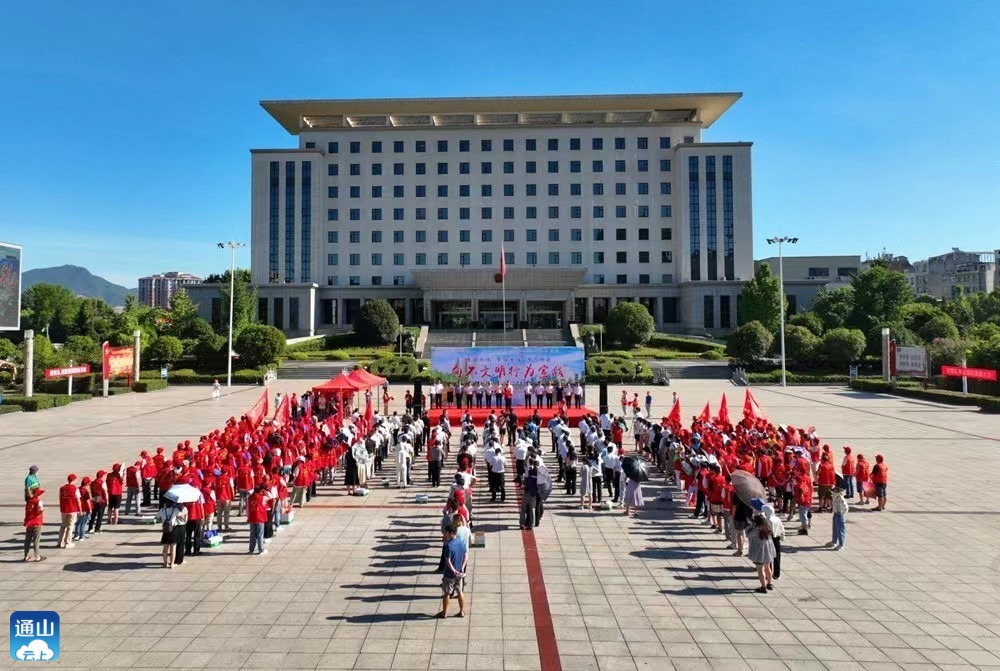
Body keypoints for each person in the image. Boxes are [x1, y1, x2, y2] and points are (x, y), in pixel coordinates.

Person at [436, 525, 468, 618]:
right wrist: (462, 567)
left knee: (447, 593)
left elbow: (447, 561)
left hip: (449, 575)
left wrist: (453, 570)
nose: (444, 534)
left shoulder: (448, 546)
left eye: (445, 532)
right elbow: (466, 556)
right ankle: (461, 611)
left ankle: (444, 613)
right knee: (460, 592)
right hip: (460, 573)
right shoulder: (461, 542)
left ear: (451, 533)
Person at [747, 513, 776, 593]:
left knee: (760, 570)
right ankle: (769, 584)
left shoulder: (756, 530)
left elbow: (748, 534)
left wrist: (751, 526)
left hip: (759, 553)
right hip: (768, 552)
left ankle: (763, 587)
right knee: (768, 568)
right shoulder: (768, 529)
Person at [158, 501, 185, 568]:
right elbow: (182, 518)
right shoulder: (175, 510)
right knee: (173, 548)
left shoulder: (162, 510)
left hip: (165, 530)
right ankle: (172, 564)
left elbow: (157, 517)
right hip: (173, 529)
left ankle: (165, 563)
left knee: (165, 547)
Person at [761, 503, 785, 580]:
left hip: (769, 539)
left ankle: (769, 574)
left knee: (769, 557)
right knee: (777, 557)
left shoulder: (767, 520)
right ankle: (777, 574)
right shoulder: (777, 519)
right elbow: (782, 529)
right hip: (777, 539)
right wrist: (782, 536)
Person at [23, 487, 46, 562]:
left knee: (27, 540)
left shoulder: (29, 501)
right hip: (36, 522)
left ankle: (26, 556)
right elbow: (41, 510)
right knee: (36, 541)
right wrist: (41, 512)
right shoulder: (38, 501)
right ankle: (37, 556)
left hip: (29, 523)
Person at [58, 474, 80, 549]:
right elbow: (78, 500)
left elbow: (60, 498)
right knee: (70, 527)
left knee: (63, 526)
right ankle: (68, 543)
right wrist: (80, 510)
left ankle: (60, 542)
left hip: (64, 509)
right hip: (72, 509)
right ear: (74, 480)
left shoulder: (62, 488)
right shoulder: (75, 489)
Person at [247, 484, 268, 555]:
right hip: (260, 517)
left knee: (252, 534)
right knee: (260, 534)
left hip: (252, 517)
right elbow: (270, 497)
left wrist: (248, 516)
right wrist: (265, 492)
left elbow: (247, 508)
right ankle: (261, 549)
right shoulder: (263, 498)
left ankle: (251, 550)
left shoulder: (250, 498)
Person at [521, 464, 539, 530]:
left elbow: (523, 484)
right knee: (532, 510)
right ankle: (531, 525)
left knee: (523, 509)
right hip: (533, 495)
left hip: (526, 494)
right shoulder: (538, 480)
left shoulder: (528, 478)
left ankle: (521, 524)